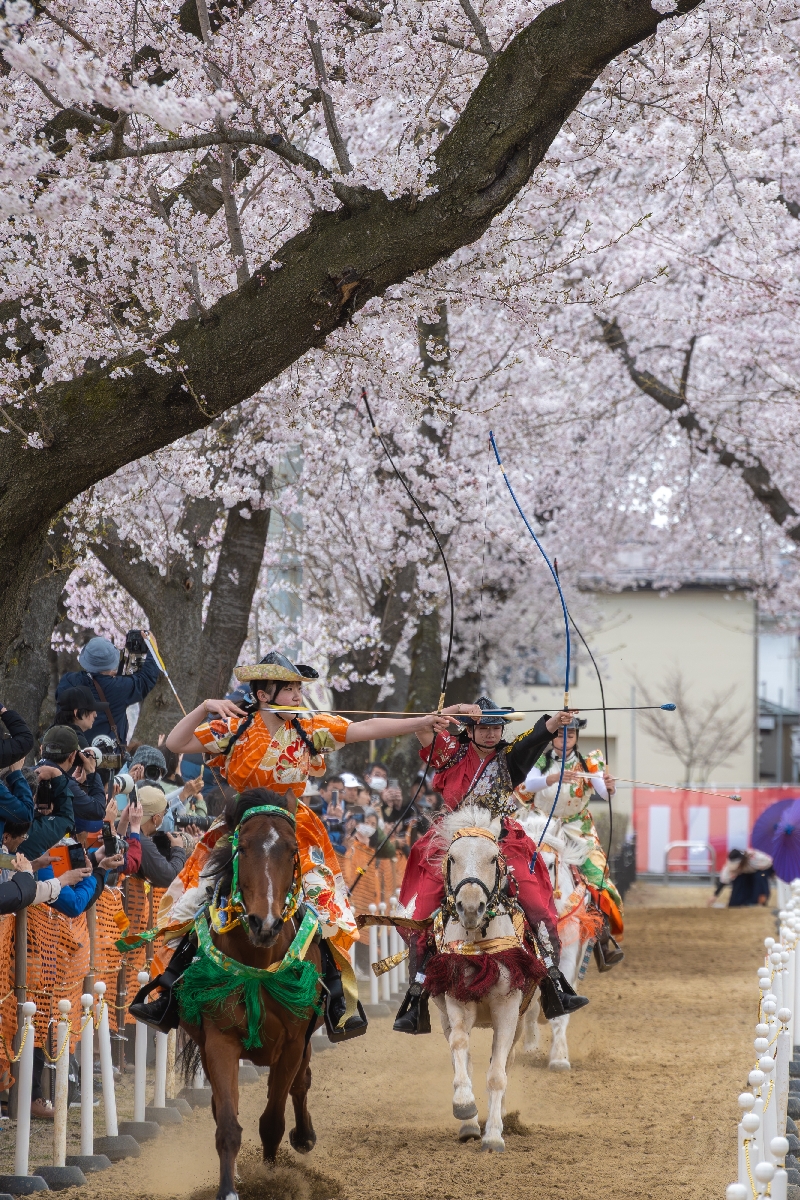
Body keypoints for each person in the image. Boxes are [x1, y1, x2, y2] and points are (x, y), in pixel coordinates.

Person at [161, 650, 481, 1039]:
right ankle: (169, 988)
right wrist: (204, 707)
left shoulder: (309, 728)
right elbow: (177, 743)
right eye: (290, 690)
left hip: (294, 828)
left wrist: (425, 720)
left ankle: (338, 997)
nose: (298, 696)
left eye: (299, 689)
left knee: (328, 909)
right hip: (241, 829)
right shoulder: (234, 728)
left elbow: (367, 727)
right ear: (263, 695)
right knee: (194, 900)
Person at [394, 697, 583, 1034]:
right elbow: (425, 725)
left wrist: (555, 722)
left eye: (497, 727)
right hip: (452, 837)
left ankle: (554, 983)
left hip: (500, 836)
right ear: (469, 729)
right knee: (420, 909)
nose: (491, 733)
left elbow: (534, 737)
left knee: (537, 904)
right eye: (483, 727)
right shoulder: (450, 752)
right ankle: (416, 992)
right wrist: (452, 711)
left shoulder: (509, 758)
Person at [518, 715, 624, 971]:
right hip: (541, 827)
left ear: (577, 737)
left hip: (578, 830)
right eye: (559, 734)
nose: (565, 739)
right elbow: (528, 783)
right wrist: (553, 778)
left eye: (571, 735)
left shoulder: (588, 763)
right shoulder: (539, 761)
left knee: (598, 878)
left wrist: (609, 787)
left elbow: (602, 790)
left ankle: (601, 940)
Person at [56, 632, 160, 748]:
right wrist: (152, 649)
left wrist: (104, 677)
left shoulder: (67, 681)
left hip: (70, 751)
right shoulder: (118, 688)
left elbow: (92, 682)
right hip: (107, 755)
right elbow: (145, 680)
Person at [118, 785, 187, 887]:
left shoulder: (120, 826)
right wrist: (178, 849)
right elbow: (169, 877)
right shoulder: (142, 843)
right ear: (155, 819)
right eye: (164, 814)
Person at [53, 685, 100, 749]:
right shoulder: (76, 741)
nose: (95, 715)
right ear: (77, 713)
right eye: (91, 711)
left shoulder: (49, 735)